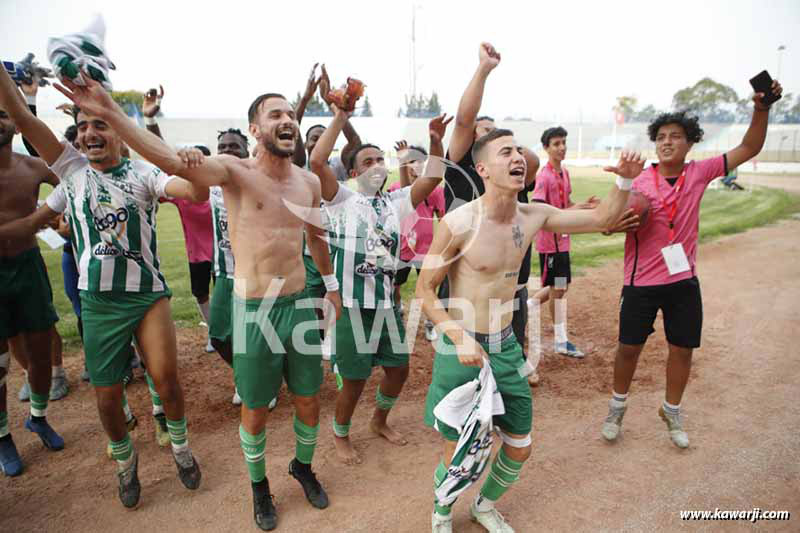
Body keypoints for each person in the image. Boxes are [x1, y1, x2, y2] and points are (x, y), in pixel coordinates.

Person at [60, 77, 342, 530]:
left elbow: (316, 235)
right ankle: (259, 487)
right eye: (276, 114)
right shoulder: (233, 171)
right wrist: (112, 113)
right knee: (255, 409)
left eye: (291, 113)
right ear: (254, 128)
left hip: (299, 304)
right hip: (255, 312)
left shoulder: (308, 182)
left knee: (308, 403)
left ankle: (303, 467)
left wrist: (329, 285)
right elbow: (169, 161)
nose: (287, 119)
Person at [417, 127, 642, 533]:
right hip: (461, 349)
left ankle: (484, 505)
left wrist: (624, 180)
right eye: (506, 152)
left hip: (505, 347)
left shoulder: (533, 213)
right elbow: (425, 291)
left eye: (519, 151)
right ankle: (442, 511)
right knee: (457, 448)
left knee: (520, 446)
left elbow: (603, 218)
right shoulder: (458, 222)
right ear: (482, 168)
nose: (518, 157)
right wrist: (458, 337)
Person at [0, 67, 205, 506]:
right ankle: (125, 463)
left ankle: (182, 448)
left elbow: (193, 192)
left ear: (121, 133)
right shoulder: (71, 171)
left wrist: (192, 167)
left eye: (100, 124)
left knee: (166, 381)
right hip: (98, 304)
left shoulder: (144, 174)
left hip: (147, 297)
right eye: (82, 127)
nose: (88, 133)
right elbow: (20, 114)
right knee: (107, 398)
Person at [600, 79, 783, 449]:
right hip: (640, 283)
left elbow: (750, 146)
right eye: (661, 136)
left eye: (676, 136)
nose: (667, 141)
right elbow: (608, 220)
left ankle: (672, 410)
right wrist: (615, 215)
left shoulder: (699, 172)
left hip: (683, 279)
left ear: (689, 142)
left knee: (682, 349)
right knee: (628, 348)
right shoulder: (641, 179)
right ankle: (617, 407)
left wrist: (761, 109)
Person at [310, 102, 450, 465]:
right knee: (354, 380)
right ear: (354, 172)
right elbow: (316, 162)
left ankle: (379, 421)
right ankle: (341, 433)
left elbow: (433, 177)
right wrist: (340, 117)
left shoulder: (396, 201)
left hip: (387, 305)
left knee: (399, 370)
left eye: (379, 160)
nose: (376, 165)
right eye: (367, 161)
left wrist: (436, 141)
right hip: (353, 308)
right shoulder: (342, 199)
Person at [443, 43, 540, 386]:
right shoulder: (459, 166)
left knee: (514, 324)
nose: (484, 133)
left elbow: (535, 162)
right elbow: (465, 120)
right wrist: (484, 69)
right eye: (480, 132)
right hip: (468, 279)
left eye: (493, 132)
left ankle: (516, 369)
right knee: (466, 355)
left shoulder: (514, 170)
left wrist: (508, 147)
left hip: (512, 274)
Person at [0, 83, 65, 477]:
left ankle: (37, 417)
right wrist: (43, 218)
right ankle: (3, 435)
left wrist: (64, 220)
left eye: (4, 113)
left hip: (28, 266)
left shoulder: (35, 168)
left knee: (42, 354)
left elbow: (73, 192)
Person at [142, 87, 217, 353]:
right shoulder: (183, 191)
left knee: (228, 296)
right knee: (201, 293)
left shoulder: (220, 187)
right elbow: (164, 160)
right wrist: (150, 122)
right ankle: (213, 332)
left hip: (226, 254)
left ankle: (225, 333)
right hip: (197, 253)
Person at [531, 126, 599, 358]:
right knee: (558, 288)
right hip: (550, 245)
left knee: (560, 286)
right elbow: (539, 209)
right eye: (556, 144)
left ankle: (523, 309)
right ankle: (560, 339)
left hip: (563, 242)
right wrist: (571, 210)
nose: (561, 147)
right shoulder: (544, 176)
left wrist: (581, 205)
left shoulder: (565, 173)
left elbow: (565, 203)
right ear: (546, 148)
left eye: (563, 143)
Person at [388, 140, 445, 342]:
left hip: (426, 250)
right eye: (411, 161)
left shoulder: (435, 190)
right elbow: (405, 192)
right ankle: (398, 310)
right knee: (395, 286)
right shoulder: (396, 188)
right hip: (401, 249)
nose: (416, 165)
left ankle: (430, 323)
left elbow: (444, 218)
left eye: (420, 161)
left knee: (428, 288)